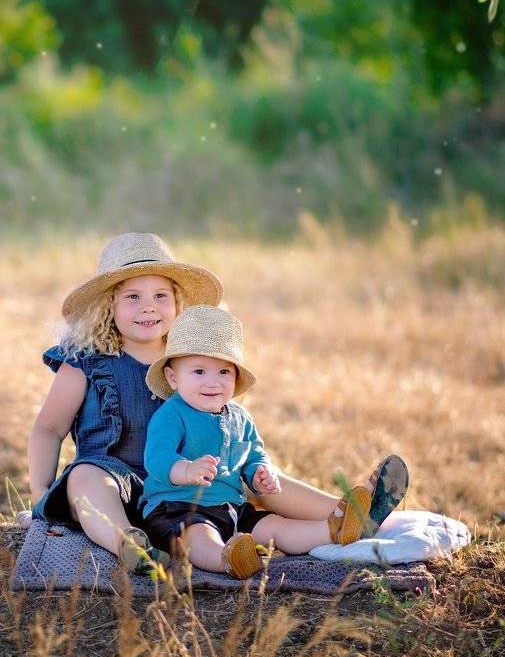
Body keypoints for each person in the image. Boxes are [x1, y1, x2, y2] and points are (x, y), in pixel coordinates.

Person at [26, 233, 398, 575]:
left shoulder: (191, 359)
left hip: (190, 486)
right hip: (115, 488)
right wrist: (41, 491)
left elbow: (227, 427)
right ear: (110, 304)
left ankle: (345, 515)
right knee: (84, 476)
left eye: (160, 296)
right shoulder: (86, 363)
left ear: (177, 303)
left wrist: (244, 467)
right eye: (133, 297)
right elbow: (48, 428)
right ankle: (129, 543)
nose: (148, 308)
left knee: (253, 473)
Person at [140, 305, 408, 579]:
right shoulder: (172, 414)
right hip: (178, 507)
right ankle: (226, 560)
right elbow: (157, 457)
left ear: (236, 377)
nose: (213, 382)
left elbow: (254, 456)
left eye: (224, 372)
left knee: (275, 526)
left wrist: (260, 474)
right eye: (199, 372)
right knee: (197, 536)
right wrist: (186, 469)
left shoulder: (240, 417)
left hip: (233, 508)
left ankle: (334, 530)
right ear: (173, 378)